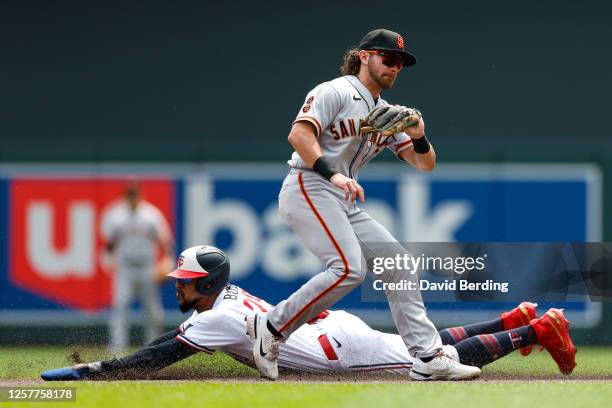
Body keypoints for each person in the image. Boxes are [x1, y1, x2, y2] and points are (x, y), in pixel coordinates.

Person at [247, 27, 471, 381]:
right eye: (388, 58)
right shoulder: (334, 91)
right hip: (310, 184)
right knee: (349, 269)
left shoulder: (388, 112)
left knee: (399, 264)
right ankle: (272, 327)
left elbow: (424, 164)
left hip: (342, 199)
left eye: (400, 62)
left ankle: (427, 357)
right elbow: (299, 134)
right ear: (364, 56)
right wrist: (332, 174)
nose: (395, 67)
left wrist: (419, 135)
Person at [41, 246, 577, 381]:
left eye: (184, 283)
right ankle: (514, 321)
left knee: (429, 366)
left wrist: (98, 370)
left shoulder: (212, 317)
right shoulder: (224, 301)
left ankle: (537, 327)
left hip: (336, 351)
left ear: (203, 285)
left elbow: (159, 355)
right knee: (425, 348)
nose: (177, 288)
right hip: (333, 335)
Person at [101, 181, 174, 352]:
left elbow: (165, 242)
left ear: (141, 194)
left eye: (135, 194)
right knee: (119, 305)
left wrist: (167, 261)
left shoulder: (151, 215)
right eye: (130, 194)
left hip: (147, 266)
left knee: (152, 309)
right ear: (125, 195)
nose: (132, 198)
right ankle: (117, 345)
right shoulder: (116, 215)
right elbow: (109, 244)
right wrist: (109, 259)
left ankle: (153, 345)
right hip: (125, 267)